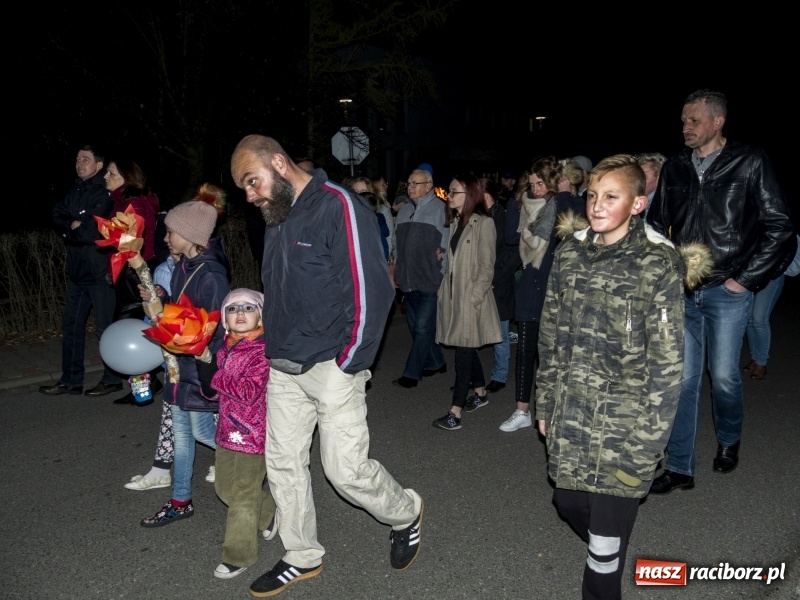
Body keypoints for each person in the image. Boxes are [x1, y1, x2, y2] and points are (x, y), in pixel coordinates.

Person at [230, 135, 424, 597]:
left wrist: (349, 362)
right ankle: (301, 555)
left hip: (332, 365)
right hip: (283, 364)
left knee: (345, 472)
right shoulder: (276, 215)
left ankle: (406, 512)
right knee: (283, 465)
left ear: (279, 163)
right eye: (244, 188)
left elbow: (373, 290)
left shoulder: (339, 205)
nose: (250, 195)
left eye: (252, 182)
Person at [536, 154, 705, 600]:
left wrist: (645, 446)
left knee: (603, 562)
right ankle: (607, 542)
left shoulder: (657, 264)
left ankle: (606, 559)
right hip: (572, 413)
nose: (596, 205)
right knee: (567, 502)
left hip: (625, 428)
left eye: (611, 196)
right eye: (592, 195)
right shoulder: (569, 253)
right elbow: (550, 335)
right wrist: (545, 402)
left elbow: (668, 367)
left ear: (638, 204)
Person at [647, 89, 795, 493]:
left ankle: (728, 442)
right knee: (683, 380)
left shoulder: (750, 161)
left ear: (717, 122)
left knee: (725, 376)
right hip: (684, 291)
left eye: (694, 120)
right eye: (682, 120)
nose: (686, 127)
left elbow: (780, 227)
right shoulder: (676, 167)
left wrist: (743, 280)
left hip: (727, 291)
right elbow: (657, 227)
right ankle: (680, 465)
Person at [139, 196, 230, 527]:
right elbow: (182, 309)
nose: (165, 238)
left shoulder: (211, 276)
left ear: (191, 236)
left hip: (198, 368)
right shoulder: (183, 267)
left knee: (202, 431)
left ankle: (250, 457)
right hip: (179, 366)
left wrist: (203, 358)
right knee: (181, 433)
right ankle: (180, 500)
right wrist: (160, 299)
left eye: (170, 232)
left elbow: (219, 328)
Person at [194, 288, 278, 580]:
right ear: (225, 321)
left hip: (254, 435)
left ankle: (238, 555)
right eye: (232, 309)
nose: (240, 313)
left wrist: (212, 371)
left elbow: (248, 392)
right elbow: (215, 394)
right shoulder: (224, 348)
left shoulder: (263, 350)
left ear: (260, 315)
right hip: (226, 432)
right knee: (224, 490)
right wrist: (206, 367)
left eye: (248, 307)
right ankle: (269, 512)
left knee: (242, 496)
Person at [498, 156, 585, 433]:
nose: (535, 189)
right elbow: (512, 238)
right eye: (532, 183)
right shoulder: (527, 205)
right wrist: (516, 200)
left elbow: (572, 231)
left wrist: (562, 194)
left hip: (555, 289)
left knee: (553, 357)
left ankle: (554, 410)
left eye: (540, 183)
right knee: (525, 350)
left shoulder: (565, 203)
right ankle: (522, 410)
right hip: (530, 284)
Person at [40, 144, 122, 397]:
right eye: (77, 159)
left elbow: (90, 232)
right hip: (77, 272)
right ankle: (71, 381)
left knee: (105, 329)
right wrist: (70, 226)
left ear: (98, 165)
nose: (79, 163)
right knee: (72, 326)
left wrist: (74, 226)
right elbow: (56, 215)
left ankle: (112, 379)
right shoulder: (75, 189)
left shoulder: (104, 193)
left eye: (85, 160)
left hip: (99, 272)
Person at [432, 174, 501, 431]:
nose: (448, 196)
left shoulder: (484, 224)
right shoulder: (456, 223)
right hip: (453, 295)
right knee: (467, 348)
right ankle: (481, 393)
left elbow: (487, 267)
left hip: (471, 300)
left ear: (469, 195)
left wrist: (473, 297)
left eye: (453, 191)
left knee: (462, 353)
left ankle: (455, 413)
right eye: (449, 191)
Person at [103, 158, 162, 405]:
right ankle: (148, 383)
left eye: (111, 172)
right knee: (139, 328)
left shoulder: (132, 204)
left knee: (129, 330)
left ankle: (145, 386)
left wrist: (117, 268)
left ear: (125, 177)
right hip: (135, 271)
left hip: (133, 272)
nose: (106, 176)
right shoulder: (131, 200)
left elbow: (129, 244)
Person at [392, 168, 450, 388]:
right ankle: (436, 361)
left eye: (415, 184)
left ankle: (411, 374)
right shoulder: (405, 211)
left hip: (429, 280)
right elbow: (397, 246)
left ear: (429, 186)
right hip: (407, 280)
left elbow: (445, 245)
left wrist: (441, 272)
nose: (410, 187)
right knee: (417, 327)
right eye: (408, 183)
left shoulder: (440, 210)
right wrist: (397, 271)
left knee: (423, 329)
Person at [480, 178, 520, 393]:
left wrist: (495, 278)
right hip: (481, 283)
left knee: (500, 333)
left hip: (498, 285)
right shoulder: (478, 216)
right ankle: (473, 376)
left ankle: (499, 375)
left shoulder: (502, 216)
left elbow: (515, 252)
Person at [635, 152, 667, 220]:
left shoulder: (666, 207)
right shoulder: (636, 203)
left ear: (660, 178)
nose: (637, 181)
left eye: (644, 176)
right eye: (636, 176)